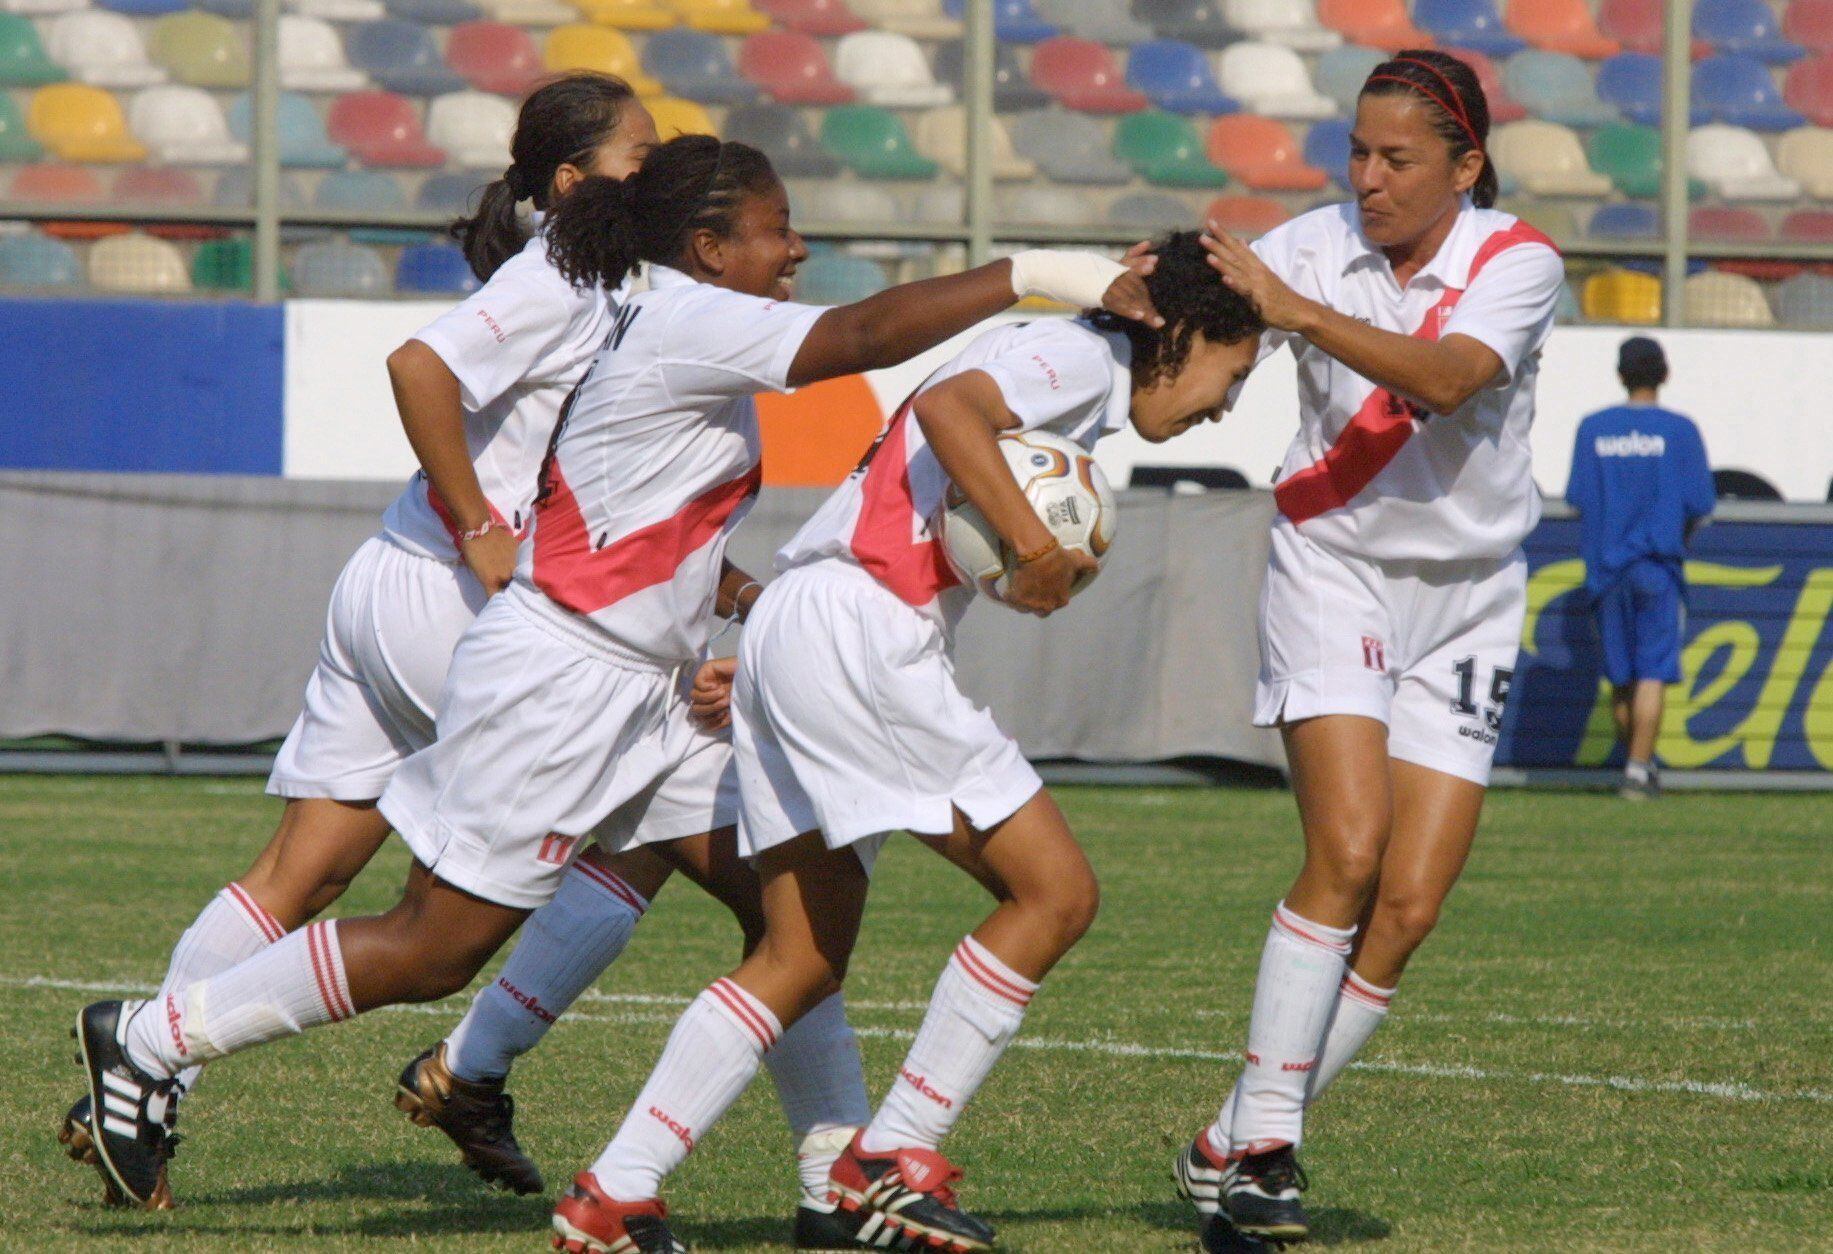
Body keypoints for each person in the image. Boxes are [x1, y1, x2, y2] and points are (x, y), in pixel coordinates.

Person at [70, 132, 1158, 1238]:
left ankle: (834, 1183)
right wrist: (1041, 270)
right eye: (778, 230)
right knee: (435, 945)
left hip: (645, 690)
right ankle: (150, 1038)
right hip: (564, 681)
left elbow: (654, 522)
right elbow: (863, 336)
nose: (797, 249)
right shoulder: (689, 321)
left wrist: (748, 611)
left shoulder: (674, 321)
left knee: (793, 926)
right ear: (709, 248)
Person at [555, 231, 1265, 1254]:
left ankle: (614, 1193)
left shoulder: (1058, 363)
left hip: (811, 615)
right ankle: (890, 1157)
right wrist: (1034, 545)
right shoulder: (1078, 356)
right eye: (1230, 377)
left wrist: (778, 660)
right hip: (862, 629)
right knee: (1055, 894)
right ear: (1182, 334)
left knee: (800, 955)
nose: (1224, 406)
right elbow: (947, 410)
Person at [59, 71, 683, 1209]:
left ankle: (139, 1089)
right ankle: (469, 1069)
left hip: (392, 580)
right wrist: (482, 527)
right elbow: (418, 365)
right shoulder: (560, 274)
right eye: (638, 159)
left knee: (302, 869)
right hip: (457, 603)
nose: (658, 172)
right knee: (653, 823)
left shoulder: (595, 278)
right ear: (569, 179)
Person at [1171, 50, 1566, 1249]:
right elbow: (1197, 322)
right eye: (1357, 152)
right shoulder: (1308, 246)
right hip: (1333, 569)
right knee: (1346, 852)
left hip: (1472, 598)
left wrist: (1294, 313)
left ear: (1466, 166)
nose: (1368, 178)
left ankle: (1224, 1143)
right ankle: (1268, 1152)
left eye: (1397, 159)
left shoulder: (1518, 262)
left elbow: (1448, 379)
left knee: (1408, 906)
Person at [1565, 336, 1714, 800]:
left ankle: (1636, 767)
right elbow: (1700, 504)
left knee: (1621, 675)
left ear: (1620, 375)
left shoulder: (1593, 428)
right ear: (1664, 374)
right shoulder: (1680, 430)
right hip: (1657, 565)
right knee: (1653, 670)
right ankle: (1637, 770)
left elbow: (1578, 498)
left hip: (1607, 567)